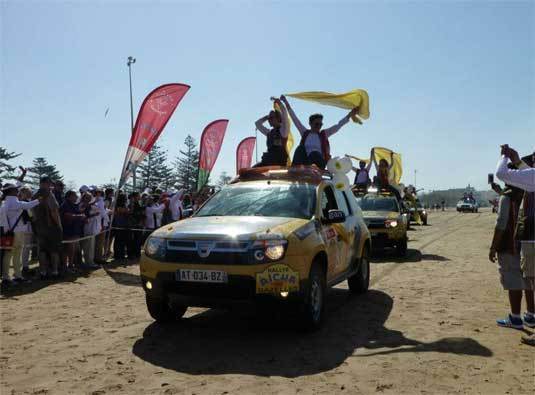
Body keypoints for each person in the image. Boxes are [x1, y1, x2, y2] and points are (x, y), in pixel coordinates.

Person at [496, 145, 535, 346]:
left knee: (526, 280)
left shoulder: (530, 179)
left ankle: (518, 317)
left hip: (528, 239)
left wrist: (504, 156)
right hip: (526, 238)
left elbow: (501, 174)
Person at [489, 182, 533, 329]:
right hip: (528, 243)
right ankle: (531, 315)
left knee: (513, 280)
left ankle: (515, 317)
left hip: (510, 245)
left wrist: (493, 247)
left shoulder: (507, 196)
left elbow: (501, 223)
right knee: (528, 280)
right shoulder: (529, 191)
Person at [281, 95, 358, 169]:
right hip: (307, 162)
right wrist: (285, 102)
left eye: (320, 124)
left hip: (319, 162)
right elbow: (294, 118)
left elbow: (338, 126)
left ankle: (311, 169)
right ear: (310, 124)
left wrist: (349, 115)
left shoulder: (323, 134)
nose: (319, 126)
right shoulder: (305, 133)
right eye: (317, 124)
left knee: (314, 153)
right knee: (300, 149)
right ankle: (294, 170)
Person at [0, 182, 40, 286]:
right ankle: (12, 277)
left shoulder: (5, 202)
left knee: (10, 254)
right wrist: (39, 199)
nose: (17, 190)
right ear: (11, 191)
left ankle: (11, 277)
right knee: (14, 254)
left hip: (10, 232)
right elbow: (27, 205)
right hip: (16, 232)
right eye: (15, 189)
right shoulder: (13, 201)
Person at [32, 176, 63, 279]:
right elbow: (54, 211)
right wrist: (58, 225)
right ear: (45, 183)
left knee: (42, 251)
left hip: (39, 227)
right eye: (50, 183)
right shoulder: (49, 194)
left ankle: (43, 272)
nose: (51, 185)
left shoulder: (34, 195)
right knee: (54, 250)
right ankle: (54, 271)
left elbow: (32, 213)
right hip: (51, 227)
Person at [254, 98, 289, 167]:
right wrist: (266, 117)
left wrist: (280, 103)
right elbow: (257, 123)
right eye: (269, 119)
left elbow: (284, 114)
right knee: (250, 171)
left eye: (271, 118)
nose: (269, 120)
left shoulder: (283, 130)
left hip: (278, 163)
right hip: (267, 162)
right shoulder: (269, 132)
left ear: (278, 118)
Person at [60, 190, 85, 273]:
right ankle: (65, 266)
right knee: (67, 249)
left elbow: (77, 212)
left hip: (74, 230)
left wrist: (81, 213)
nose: (76, 197)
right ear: (69, 196)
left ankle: (70, 265)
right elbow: (67, 215)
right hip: (68, 230)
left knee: (72, 249)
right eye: (74, 195)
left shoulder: (73, 205)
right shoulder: (65, 204)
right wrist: (79, 216)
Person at [79, 192, 100, 269]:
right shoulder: (82, 205)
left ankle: (90, 262)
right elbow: (84, 214)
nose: (88, 199)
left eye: (89, 197)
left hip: (91, 228)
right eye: (86, 197)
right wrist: (94, 214)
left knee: (91, 245)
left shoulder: (90, 205)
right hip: (86, 228)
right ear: (83, 197)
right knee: (87, 246)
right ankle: (88, 262)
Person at [127, 192, 145, 260]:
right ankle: (132, 254)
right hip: (134, 225)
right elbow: (131, 214)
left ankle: (137, 254)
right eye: (138, 196)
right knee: (132, 240)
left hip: (138, 224)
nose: (139, 197)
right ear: (134, 197)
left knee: (138, 240)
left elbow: (140, 212)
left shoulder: (139, 203)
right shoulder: (131, 204)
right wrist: (136, 222)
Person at [112, 193, 129, 261]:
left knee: (122, 240)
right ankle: (117, 255)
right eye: (125, 197)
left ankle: (121, 254)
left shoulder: (124, 204)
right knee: (118, 240)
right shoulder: (118, 204)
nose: (126, 198)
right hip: (119, 224)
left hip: (123, 223)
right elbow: (120, 211)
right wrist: (126, 210)